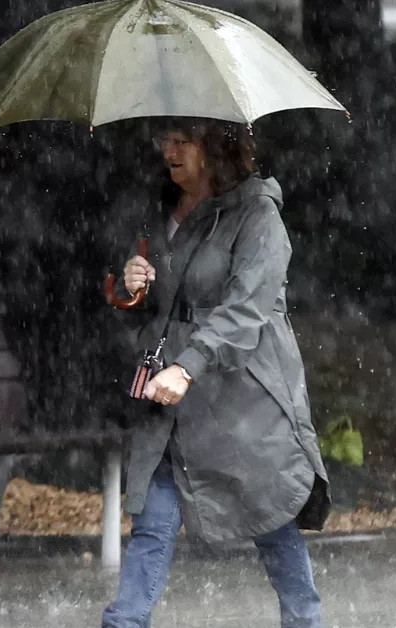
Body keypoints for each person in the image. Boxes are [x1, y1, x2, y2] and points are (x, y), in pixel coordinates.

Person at [102, 118, 331, 628]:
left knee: (270, 518)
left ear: (217, 147)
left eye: (184, 140)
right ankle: (123, 623)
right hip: (170, 401)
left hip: (241, 401)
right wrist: (128, 284)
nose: (170, 150)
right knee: (153, 524)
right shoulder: (159, 208)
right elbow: (153, 301)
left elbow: (246, 311)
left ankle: (305, 622)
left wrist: (190, 365)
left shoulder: (258, 215)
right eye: (166, 140)